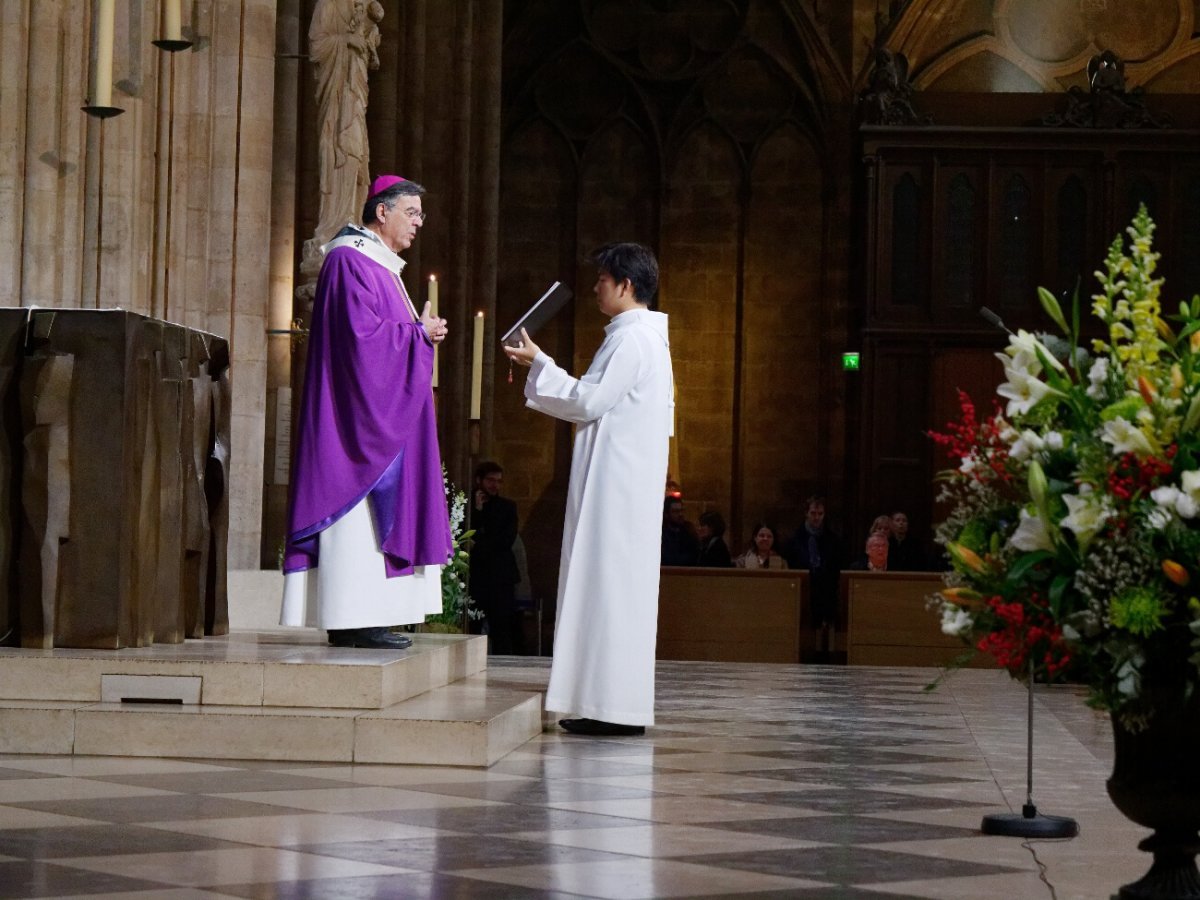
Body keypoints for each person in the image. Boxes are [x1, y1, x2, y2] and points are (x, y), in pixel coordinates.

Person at [504, 241, 672, 737]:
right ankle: (602, 703)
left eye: (603, 278)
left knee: (609, 594)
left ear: (626, 285)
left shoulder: (634, 339)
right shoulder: (639, 336)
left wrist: (540, 362)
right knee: (608, 595)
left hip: (615, 494)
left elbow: (589, 400)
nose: (597, 286)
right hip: (620, 490)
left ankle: (612, 708)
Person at [280, 175, 452, 649]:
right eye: (412, 213)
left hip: (384, 413)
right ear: (383, 212)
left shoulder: (383, 268)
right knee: (358, 520)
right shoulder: (348, 261)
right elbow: (360, 342)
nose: (419, 223)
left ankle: (372, 614)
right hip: (355, 423)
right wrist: (417, 337)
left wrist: (420, 333)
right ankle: (352, 617)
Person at [469, 461, 523, 654]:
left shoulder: (507, 507)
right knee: (473, 627)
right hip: (476, 576)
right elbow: (466, 535)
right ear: (479, 480)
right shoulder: (468, 506)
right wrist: (477, 511)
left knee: (502, 629)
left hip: (501, 577)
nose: (495, 485)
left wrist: (480, 544)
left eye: (499, 481)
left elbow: (505, 540)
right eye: (491, 480)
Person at [784, 496, 843, 643]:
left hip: (826, 591)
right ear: (806, 513)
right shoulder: (794, 540)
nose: (817, 517)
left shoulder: (833, 540)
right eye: (813, 513)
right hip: (802, 588)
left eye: (820, 514)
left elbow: (837, 566)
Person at [661, 496, 700, 566]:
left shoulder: (689, 531)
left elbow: (694, 555)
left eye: (681, 510)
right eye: (676, 511)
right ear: (666, 514)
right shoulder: (662, 534)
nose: (680, 514)